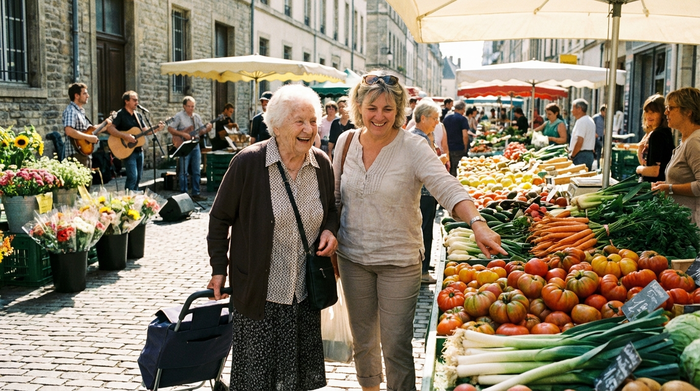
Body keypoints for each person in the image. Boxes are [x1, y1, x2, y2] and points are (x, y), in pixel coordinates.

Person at [332, 71, 505, 391]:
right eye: (372, 108)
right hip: (352, 258)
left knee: (396, 344)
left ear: (399, 110)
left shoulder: (413, 147)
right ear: (359, 107)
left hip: (399, 261)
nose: (379, 116)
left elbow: (446, 186)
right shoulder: (345, 143)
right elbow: (334, 197)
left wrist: (477, 223)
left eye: (387, 108)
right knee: (364, 341)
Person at [207, 84, 339, 390]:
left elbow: (331, 210)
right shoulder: (248, 163)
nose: (309, 129)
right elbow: (219, 219)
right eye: (299, 121)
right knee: (256, 379)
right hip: (259, 293)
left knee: (296, 379)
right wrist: (218, 268)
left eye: (312, 120)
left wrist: (330, 231)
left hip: (304, 294)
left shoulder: (321, 164)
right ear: (276, 126)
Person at [406, 99, 449, 284]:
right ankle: (422, 272)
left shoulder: (416, 135)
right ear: (423, 118)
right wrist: (441, 159)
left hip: (420, 192)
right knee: (424, 230)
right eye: (434, 118)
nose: (437, 122)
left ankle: (421, 267)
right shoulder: (420, 138)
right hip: (424, 193)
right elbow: (426, 168)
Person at [652, 87, 700, 224]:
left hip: (693, 223)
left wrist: (670, 188)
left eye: (671, 108)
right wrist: (667, 184)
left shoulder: (695, 141)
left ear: (688, 111)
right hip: (682, 220)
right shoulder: (685, 141)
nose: (666, 112)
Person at [106, 91, 164, 191]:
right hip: (128, 151)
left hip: (138, 150)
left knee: (138, 178)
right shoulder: (120, 114)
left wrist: (158, 128)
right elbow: (110, 128)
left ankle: (135, 198)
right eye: (134, 100)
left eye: (137, 100)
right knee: (132, 177)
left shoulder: (138, 115)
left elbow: (146, 132)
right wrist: (125, 136)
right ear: (126, 101)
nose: (137, 102)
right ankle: (128, 199)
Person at [168, 96, 212, 202]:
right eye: (189, 106)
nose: (191, 108)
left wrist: (207, 129)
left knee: (196, 170)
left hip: (195, 144)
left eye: (193, 106)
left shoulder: (196, 117)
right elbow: (170, 128)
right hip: (184, 145)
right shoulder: (179, 116)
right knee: (183, 171)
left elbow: (200, 131)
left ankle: (196, 193)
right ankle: (184, 195)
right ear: (184, 106)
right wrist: (182, 134)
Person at [62, 82, 109, 167]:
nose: (88, 96)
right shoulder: (71, 110)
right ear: (76, 96)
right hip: (76, 155)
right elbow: (69, 131)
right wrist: (88, 137)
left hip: (84, 154)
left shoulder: (80, 111)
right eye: (84, 93)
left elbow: (90, 130)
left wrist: (105, 124)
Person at [636, 94, 674, 182]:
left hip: (655, 186)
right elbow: (645, 162)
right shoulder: (654, 133)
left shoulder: (658, 135)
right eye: (646, 111)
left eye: (653, 112)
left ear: (663, 114)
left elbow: (654, 171)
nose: (649, 115)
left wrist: (638, 169)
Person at [443, 100, 470, 176]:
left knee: (449, 170)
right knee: (458, 171)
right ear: (463, 109)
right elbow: (465, 135)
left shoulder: (446, 118)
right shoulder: (463, 119)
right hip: (458, 148)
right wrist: (465, 147)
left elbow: (443, 134)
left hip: (448, 148)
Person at [569, 99, 597, 170]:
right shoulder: (590, 120)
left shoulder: (581, 121)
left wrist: (572, 156)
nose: (571, 110)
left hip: (580, 155)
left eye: (573, 108)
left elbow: (580, 141)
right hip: (588, 154)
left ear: (579, 109)